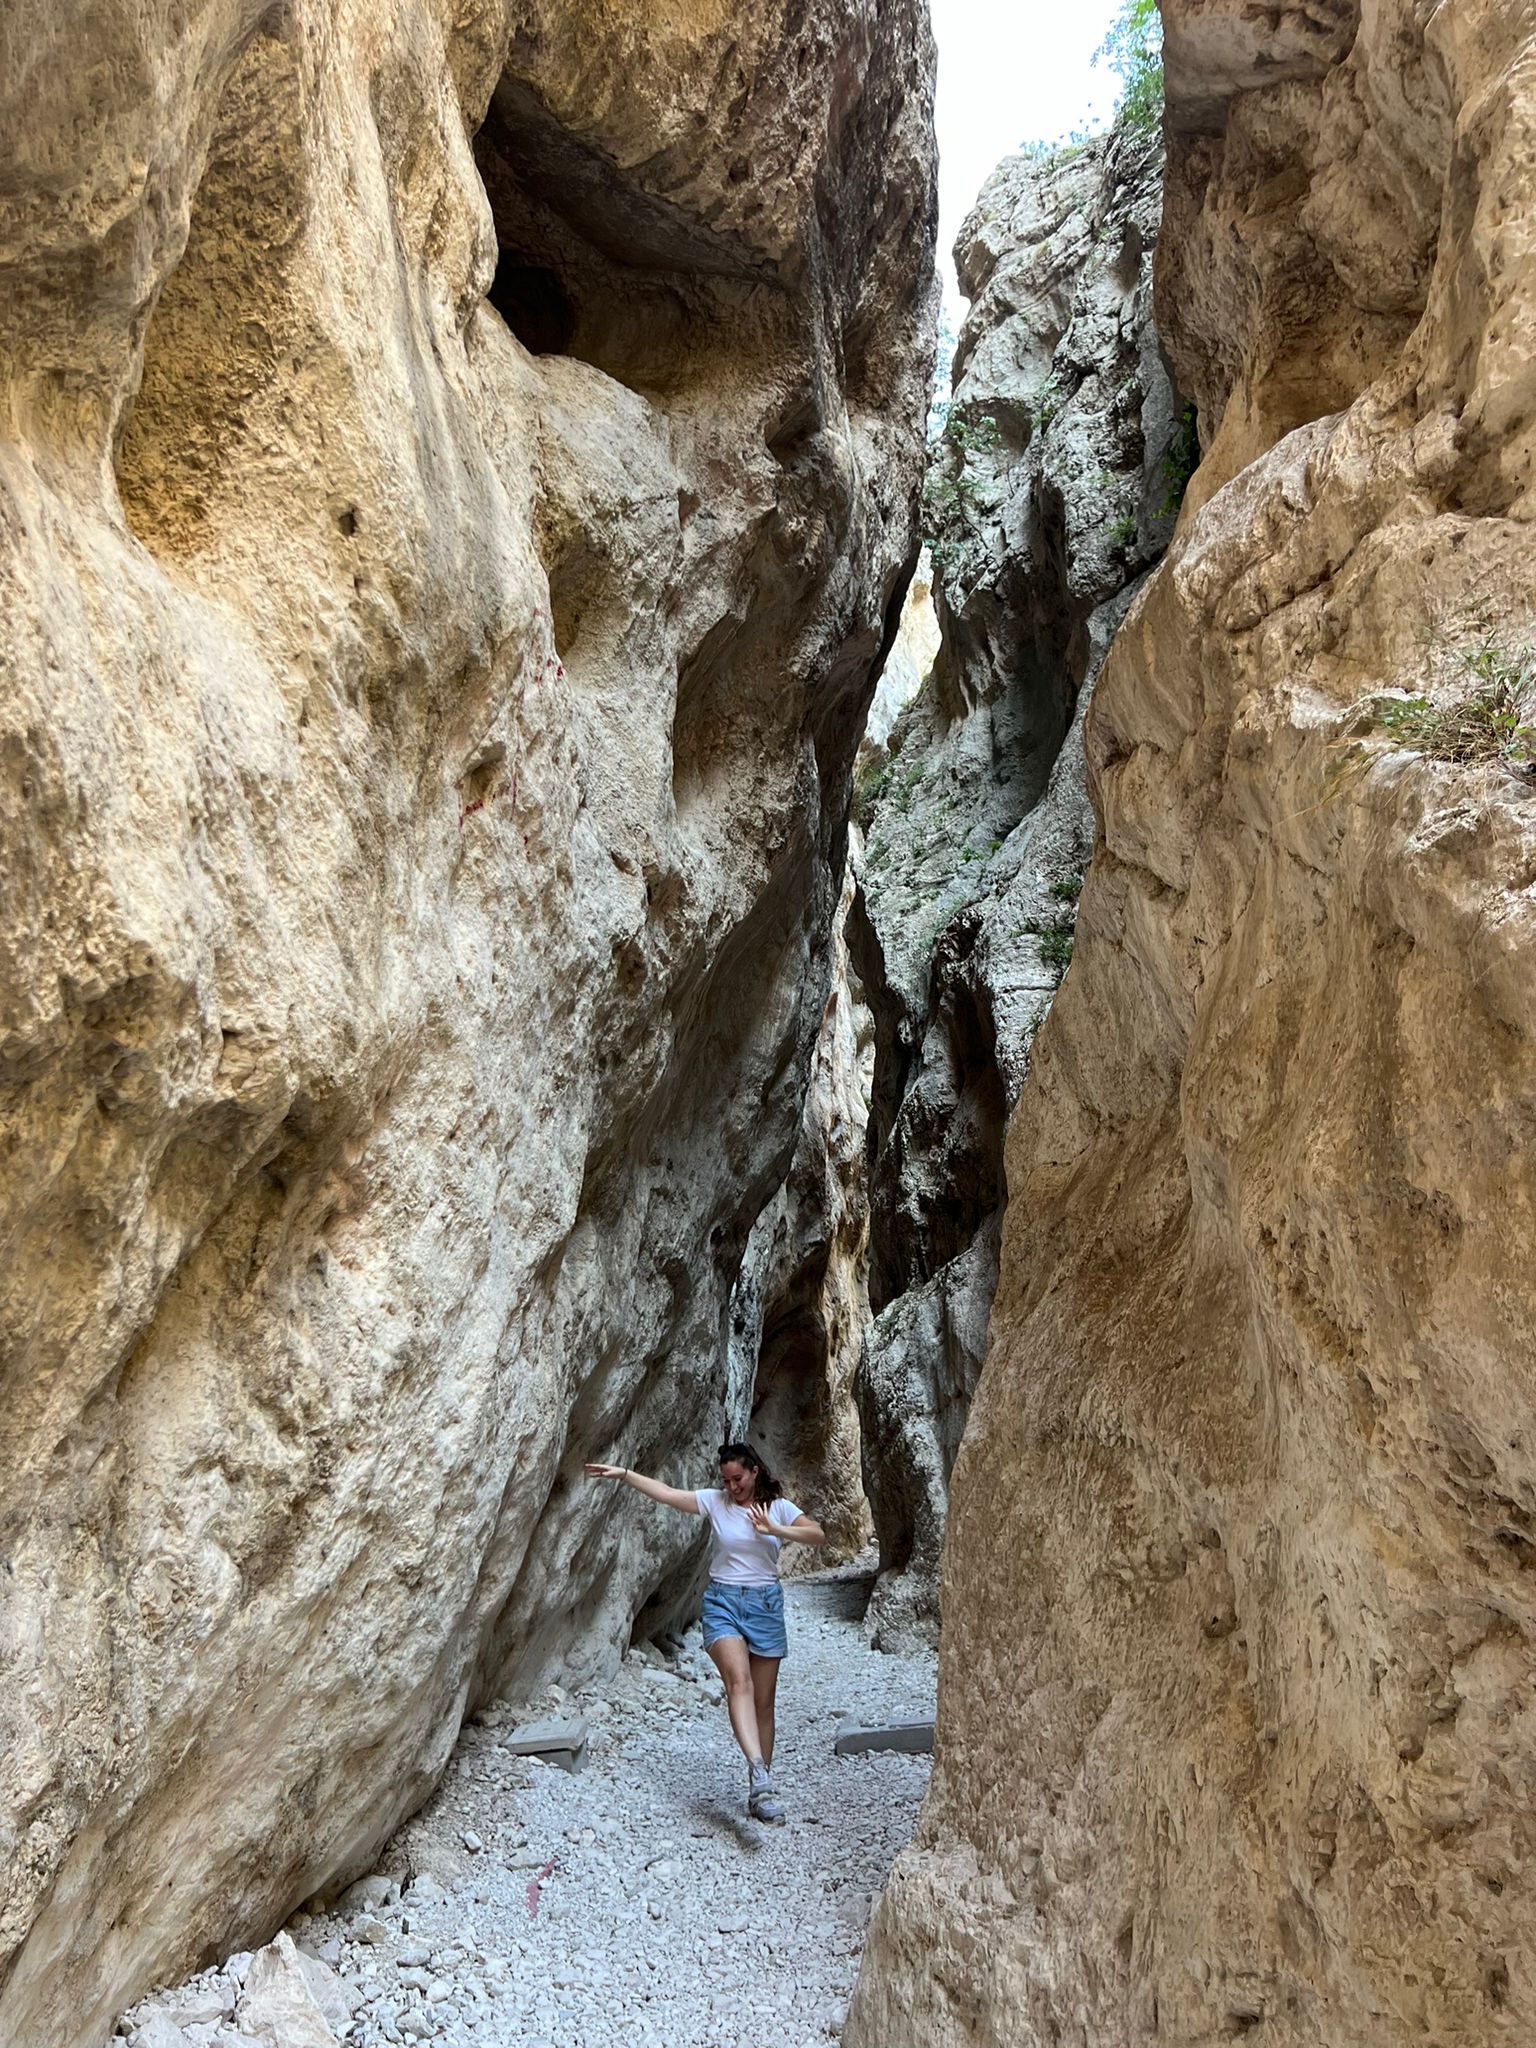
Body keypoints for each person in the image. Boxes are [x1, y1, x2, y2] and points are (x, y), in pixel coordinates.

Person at [584, 1441, 825, 1822]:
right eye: (726, 1480)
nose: (732, 1487)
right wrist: (626, 1475)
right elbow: (666, 1494)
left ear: (754, 1472)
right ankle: (758, 1770)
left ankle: (759, 1789)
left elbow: (817, 1534)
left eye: (738, 1479)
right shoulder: (715, 1502)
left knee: (764, 1703)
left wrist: (773, 1528)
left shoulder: (778, 1508)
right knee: (738, 1683)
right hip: (723, 1603)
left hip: (765, 1606)